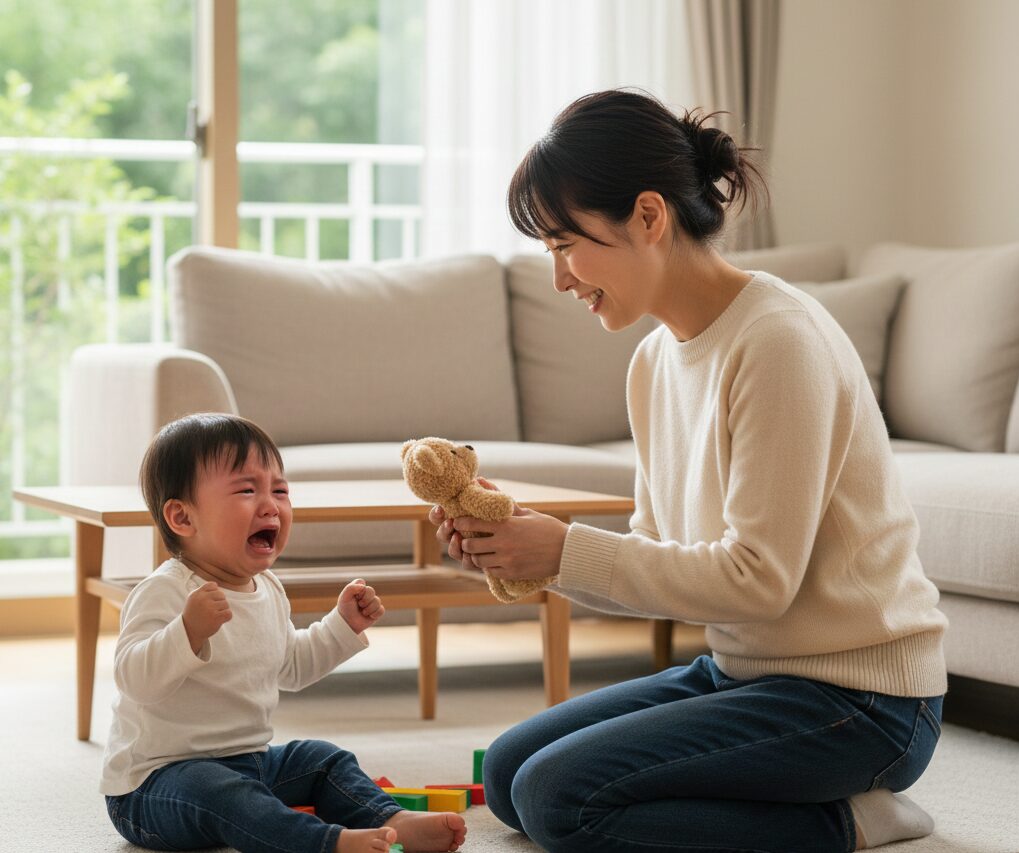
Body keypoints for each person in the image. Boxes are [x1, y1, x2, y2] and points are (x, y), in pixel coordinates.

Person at [430, 89, 947, 853]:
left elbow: (758, 579)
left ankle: (845, 820)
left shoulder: (776, 341)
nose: (559, 277)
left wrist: (564, 547)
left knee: (558, 798)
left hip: (861, 698)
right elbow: (658, 552)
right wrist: (524, 547)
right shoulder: (651, 361)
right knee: (511, 772)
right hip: (748, 673)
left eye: (564, 243)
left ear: (647, 216)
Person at [102, 412, 467, 853]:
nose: (270, 504)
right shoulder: (166, 591)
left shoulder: (268, 589)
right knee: (219, 789)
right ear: (182, 517)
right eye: (246, 490)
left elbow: (289, 668)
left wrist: (342, 626)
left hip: (252, 764)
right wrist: (187, 632)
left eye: (279, 490)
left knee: (321, 758)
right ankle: (327, 844)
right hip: (155, 786)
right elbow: (133, 680)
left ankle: (389, 818)